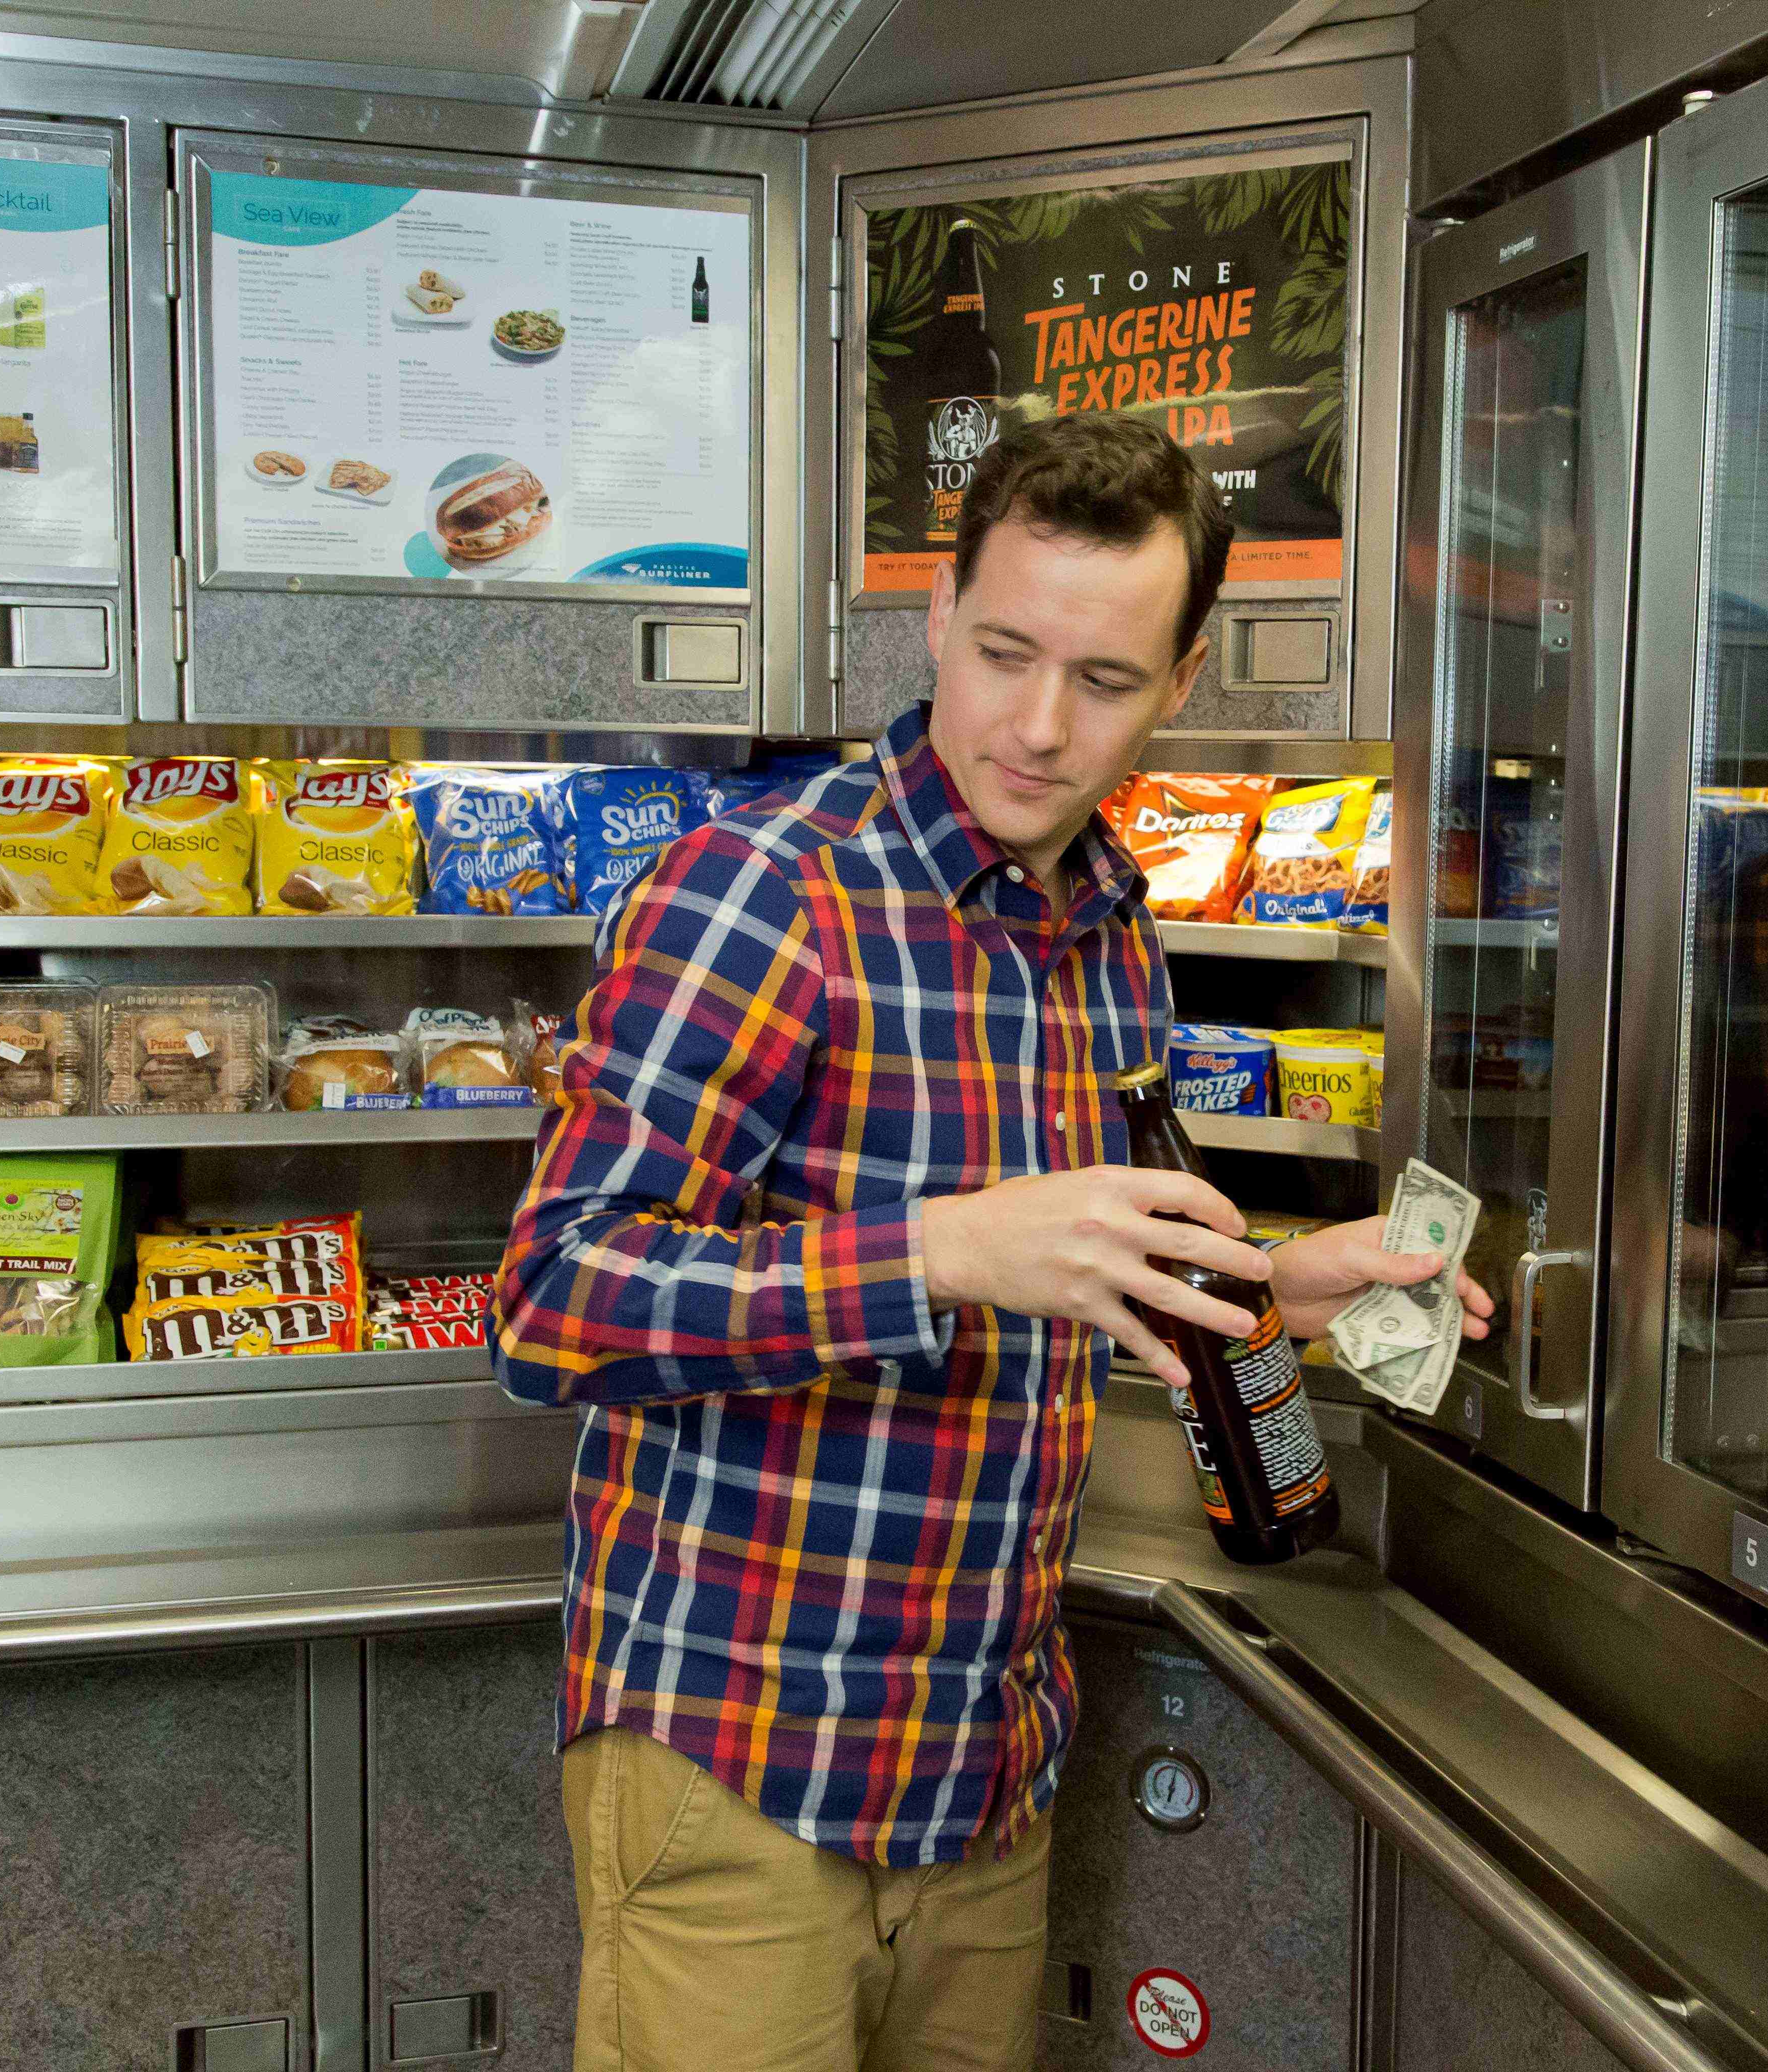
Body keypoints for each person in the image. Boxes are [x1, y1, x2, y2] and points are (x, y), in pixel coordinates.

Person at [492, 411, 1491, 2072]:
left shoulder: (1107, 926)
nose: (1036, 727)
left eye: (1103, 681)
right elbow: (550, 1301)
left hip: (984, 1773)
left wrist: (1280, 1287)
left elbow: (1080, 1269)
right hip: (740, 1769)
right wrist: (940, 1252)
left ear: (1178, 686)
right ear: (937, 622)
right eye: (1005, 651)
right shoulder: (764, 892)